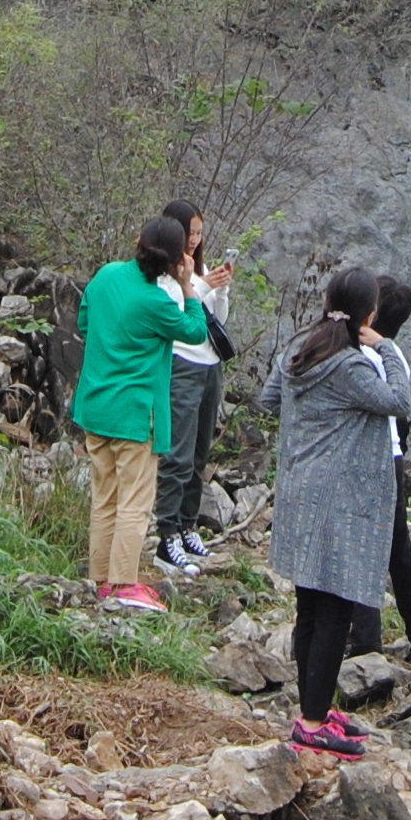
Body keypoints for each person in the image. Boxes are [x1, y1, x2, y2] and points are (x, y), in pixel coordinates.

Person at [257, 266, 410, 758]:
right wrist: (384, 346)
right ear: (369, 314)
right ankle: (313, 721)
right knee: (335, 611)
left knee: (310, 607)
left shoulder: (300, 349)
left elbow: (268, 400)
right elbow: (400, 401)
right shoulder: (350, 365)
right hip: (338, 501)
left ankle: (314, 705)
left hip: (300, 490)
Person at [71, 212, 213, 612]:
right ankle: (123, 582)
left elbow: (83, 320)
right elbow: (195, 332)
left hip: (97, 406)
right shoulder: (157, 301)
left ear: (138, 241)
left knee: (105, 497)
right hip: (135, 415)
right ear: (174, 259)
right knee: (134, 502)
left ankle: (100, 578)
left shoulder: (106, 276)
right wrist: (189, 286)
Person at [152, 199, 234, 576]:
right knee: (178, 453)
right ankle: (166, 534)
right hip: (182, 363)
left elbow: (215, 320)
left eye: (200, 234)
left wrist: (220, 291)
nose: (195, 241)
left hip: (209, 362)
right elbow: (174, 308)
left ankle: (187, 527)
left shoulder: (197, 270)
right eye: (190, 234)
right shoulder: (164, 274)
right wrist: (200, 285)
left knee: (200, 453)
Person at [372, 274, 411, 657]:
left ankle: (366, 637)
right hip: (394, 458)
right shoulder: (397, 356)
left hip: (378, 459)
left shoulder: (376, 356)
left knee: (372, 548)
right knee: (398, 552)